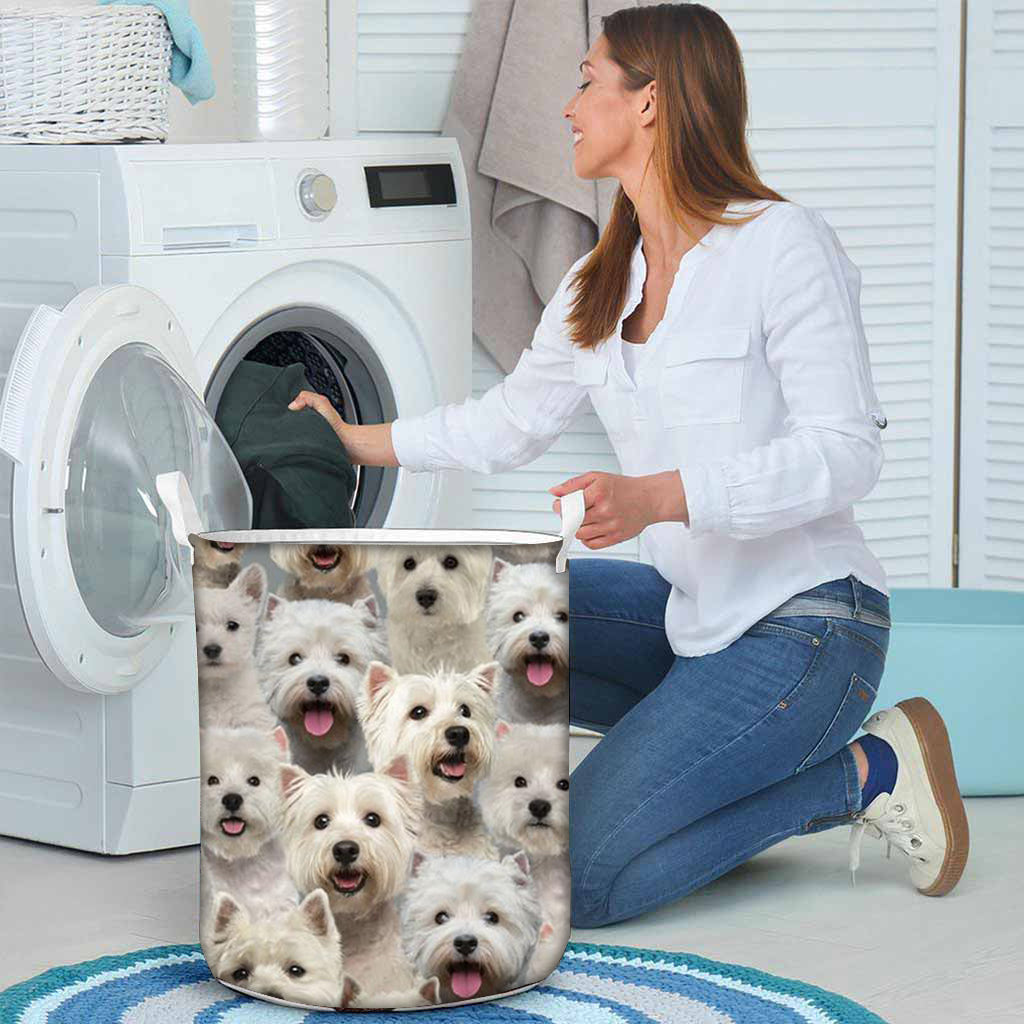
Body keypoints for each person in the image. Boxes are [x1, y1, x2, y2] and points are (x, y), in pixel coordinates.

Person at [288, 3, 969, 928]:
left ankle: (865, 774)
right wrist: (359, 438)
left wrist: (662, 498)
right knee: (455, 614)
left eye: (586, 81)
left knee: (582, 881)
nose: (567, 106)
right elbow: (510, 422)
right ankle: (630, 774)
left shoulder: (780, 245)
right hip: (694, 623)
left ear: (649, 103)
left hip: (811, 630)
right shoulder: (599, 280)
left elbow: (847, 454)